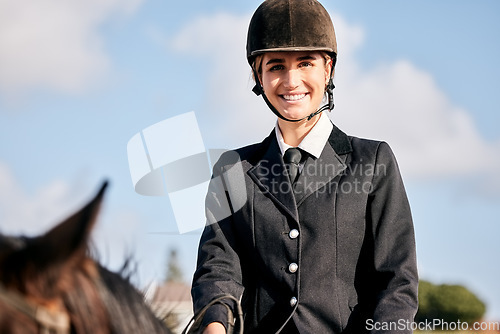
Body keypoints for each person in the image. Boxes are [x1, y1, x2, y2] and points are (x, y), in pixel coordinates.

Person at [191, 0, 418, 333]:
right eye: (276, 66)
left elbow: (397, 281)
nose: (291, 81)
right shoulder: (232, 170)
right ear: (259, 75)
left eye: (306, 63)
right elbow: (219, 269)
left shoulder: (373, 161)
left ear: (328, 70)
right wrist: (214, 324)